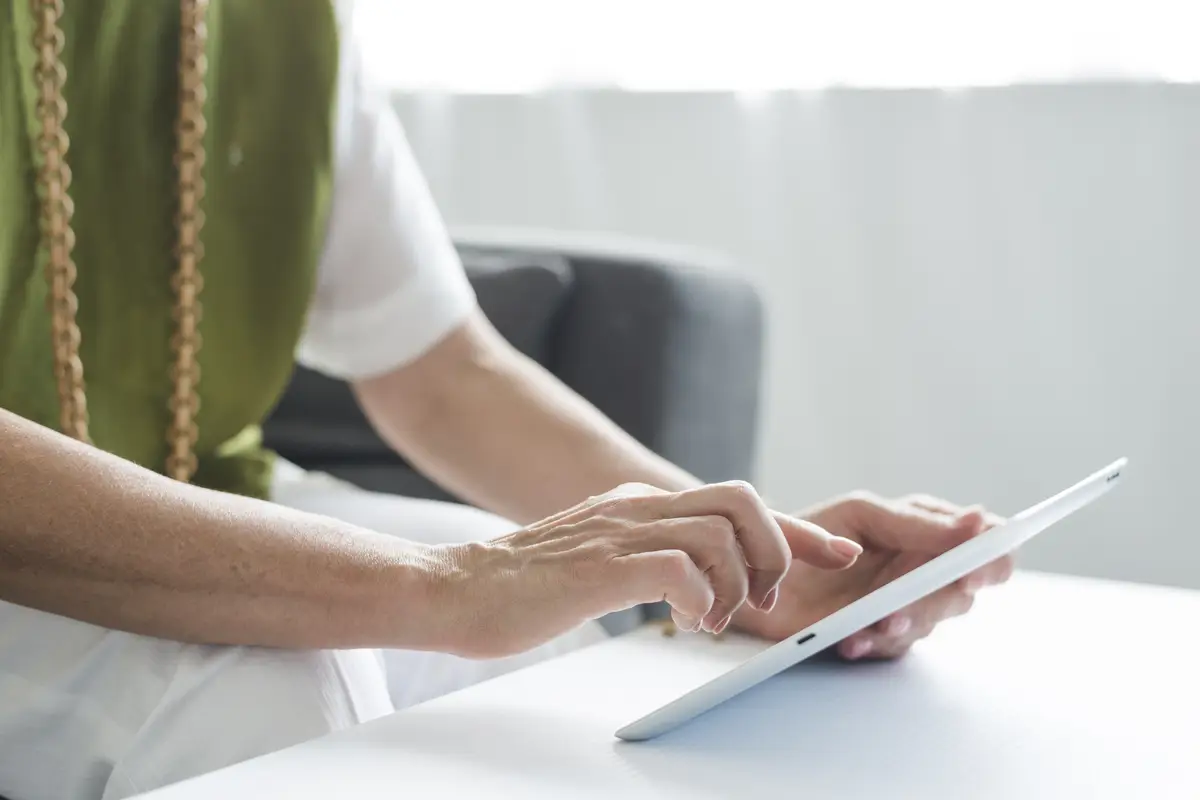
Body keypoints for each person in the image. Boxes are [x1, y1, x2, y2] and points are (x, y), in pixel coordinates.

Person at [0, 2, 1013, 798]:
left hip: (200, 486)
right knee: (256, 686)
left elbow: (440, 372)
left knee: (560, 661)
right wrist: (450, 585)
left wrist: (743, 563)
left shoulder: (287, 20)